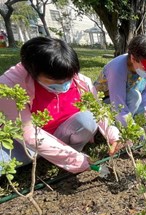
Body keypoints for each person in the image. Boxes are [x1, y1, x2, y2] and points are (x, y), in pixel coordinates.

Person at [0, 37, 121, 174]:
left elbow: (98, 110)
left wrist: (114, 135)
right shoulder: (10, 88)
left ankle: (61, 152)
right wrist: (74, 160)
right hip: (21, 142)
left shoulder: (79, 80)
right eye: (55, 80)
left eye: (68, 78)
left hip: (61, 133)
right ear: (32, 72)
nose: (64, 83)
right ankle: (53, 155)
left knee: (87, 119)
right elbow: (27, 134)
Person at [94, 35, 146, 126]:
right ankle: (120, 124)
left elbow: (145, 90)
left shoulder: (143, 65)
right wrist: (138, 133)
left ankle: (128, 119)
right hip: (108, 102)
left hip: (128, 100)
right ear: (133, 59)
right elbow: (117, 105)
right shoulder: (117, 69)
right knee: (134, 96)